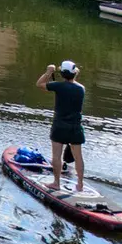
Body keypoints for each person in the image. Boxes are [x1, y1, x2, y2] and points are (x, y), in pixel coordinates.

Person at [36, 60, 86, 191]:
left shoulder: (58, 86)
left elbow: (39, 84)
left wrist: (48, 72)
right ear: (74, 73)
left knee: (56, 156)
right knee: (78, 157)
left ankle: (56, 183)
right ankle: (80, 185)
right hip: (75, 127)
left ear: (62, 74)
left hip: (60, 126)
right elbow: (72, 81)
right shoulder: (81, 89)